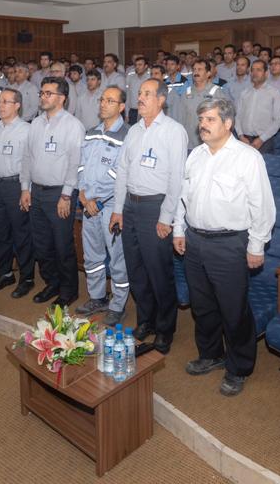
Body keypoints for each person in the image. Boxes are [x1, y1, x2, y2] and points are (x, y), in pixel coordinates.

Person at [173, 98, 274, 397]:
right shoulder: (196, 155)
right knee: (202, 305)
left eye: (210, 119)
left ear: (228, 124)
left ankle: (239, 367)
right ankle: (211, 354)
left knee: (233, 309)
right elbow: (182, 197)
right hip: (195, 240)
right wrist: (179, 229)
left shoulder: (247, 158)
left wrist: (257, 245)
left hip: (229, 244)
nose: (202, 125)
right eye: (201, 119)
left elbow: (262, 206)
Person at [111, 79, 189, 354]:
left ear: (161, 100)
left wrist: (166, 217)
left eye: (147, 94)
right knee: (137, 270)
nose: (140, 98)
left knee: (158, 272)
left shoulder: (174, 131)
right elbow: (122, 171)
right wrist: (118, 209)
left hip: (155, 207)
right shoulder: (133, 130)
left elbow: (177, 179)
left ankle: (165, 329)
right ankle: (146, 320)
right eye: (140, 93)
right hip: (130, 207)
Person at [22, 76, 85, 307]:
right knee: (42, 244)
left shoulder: (73, 125)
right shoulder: (36, 124)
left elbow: (75, 164)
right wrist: (25, 188)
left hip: (60, 194)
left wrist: (66, 195)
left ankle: (69, 291)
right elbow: (27, 157)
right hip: (36, 192)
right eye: (42, 93)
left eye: (48, 93)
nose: (43, 97)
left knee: (62, 244)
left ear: (62, 98)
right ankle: (52, 282)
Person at [74, 86, 131, 327]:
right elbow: (81, 166)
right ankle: (97, 297)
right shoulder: (91, 132)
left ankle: (118, 305)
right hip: (89, 205)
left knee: (117, 259)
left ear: (121, 107)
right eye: (102, 100)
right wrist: (83, 195)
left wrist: (96, 200)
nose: (103, 104)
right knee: (92, 255)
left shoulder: (127, 135)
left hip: (109, 207)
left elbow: (120, 173)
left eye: (110, 100)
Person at [0, 88, 35, 295]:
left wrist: (25, 190)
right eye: (0, 102)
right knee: (1, 233)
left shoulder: (26, 130)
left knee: (21, 234)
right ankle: (5, 274)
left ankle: (27, 277)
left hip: (17, 186)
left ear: (17, 106)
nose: (1, 105)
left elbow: (28, 164)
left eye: (6, 101)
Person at [168, 59, 230, 146]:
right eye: (194, 69)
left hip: (211, 143)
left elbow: (225, 117)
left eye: (200, 69)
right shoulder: (186, 92)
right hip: (189, 143)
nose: (196, 72)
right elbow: (180, 117)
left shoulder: (216, 92)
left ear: (208, 73)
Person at [236, 60, 280, 153]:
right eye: (253, 70)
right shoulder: (244, 93)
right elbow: (238, 117)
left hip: (264, 141)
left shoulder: (274, 93)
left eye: (258, 70)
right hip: (244, 140)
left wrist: (261, 139)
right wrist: (240, 136)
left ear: (266, 73)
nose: (255, 73)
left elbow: (278, 121)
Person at [125, 56, 151, 124]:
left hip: (146, 110)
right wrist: (127, 114)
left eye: (140, 65)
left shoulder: (150, 79)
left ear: (146, 66)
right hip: (133, 111)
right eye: (136, 65)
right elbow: (128, 96)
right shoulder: (131, 79)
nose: (137, 67)